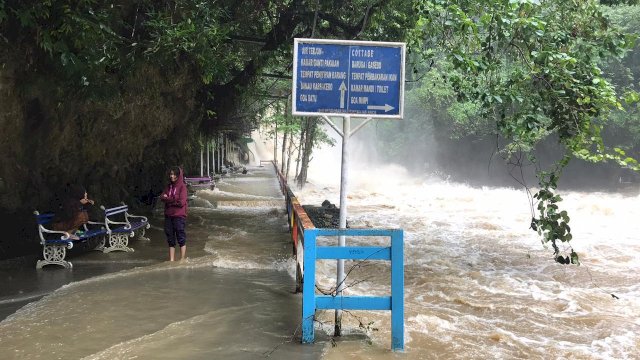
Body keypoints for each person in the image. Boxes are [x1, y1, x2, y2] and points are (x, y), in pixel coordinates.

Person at [160, 166, 188, 261]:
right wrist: (173, 199)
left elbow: (182, 202)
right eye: (171, 174)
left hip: (179, 216)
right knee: (170, 239)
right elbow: (162, 197)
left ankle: (182, 259)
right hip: (168, 216)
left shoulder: (182, 187)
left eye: (174, 174)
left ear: (178, 175)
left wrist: (168, 199)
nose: (172, 176)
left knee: (181, 237)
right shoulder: (168, 186)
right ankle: (171, 260)